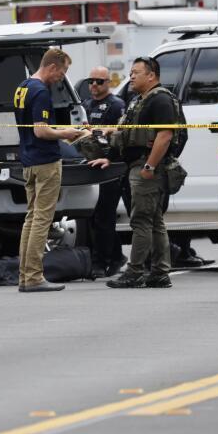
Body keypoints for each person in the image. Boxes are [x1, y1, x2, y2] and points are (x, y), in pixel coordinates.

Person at [91, 57, 177, 289]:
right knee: (154, 221)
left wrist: (149, 166)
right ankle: (159, 272)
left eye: (136, 72)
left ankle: (135, 271)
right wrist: (109, 154)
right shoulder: (140, 99)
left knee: (140, 221)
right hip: (137, 164)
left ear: (151, 75)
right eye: (130, 72)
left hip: (146, 167)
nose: (131, 76)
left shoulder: (160, 99)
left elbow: (165, 135)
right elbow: (127, 133)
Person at [14, 48, 83, 292]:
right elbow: (41, 130)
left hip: (29, 161)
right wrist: (68, 133)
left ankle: (24, 275)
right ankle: (33, 277)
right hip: (45, 161)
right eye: (63, 71)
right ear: (52, 66)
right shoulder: (41, 91)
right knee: (42, 219)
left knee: (31, 219)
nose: (62, 77)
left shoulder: (23, 86)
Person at [82, 66, 126, 277]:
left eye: (99, 81)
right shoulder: (86, 105)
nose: (94, 85)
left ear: (109, 83)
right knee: (95, 217)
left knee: (104, 217)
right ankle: (115, 256)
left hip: (110, 167)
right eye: (91, 81)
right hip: (91, 166)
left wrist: (110, 160)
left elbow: (122, 137)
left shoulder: (116, 106)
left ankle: (102, 262)